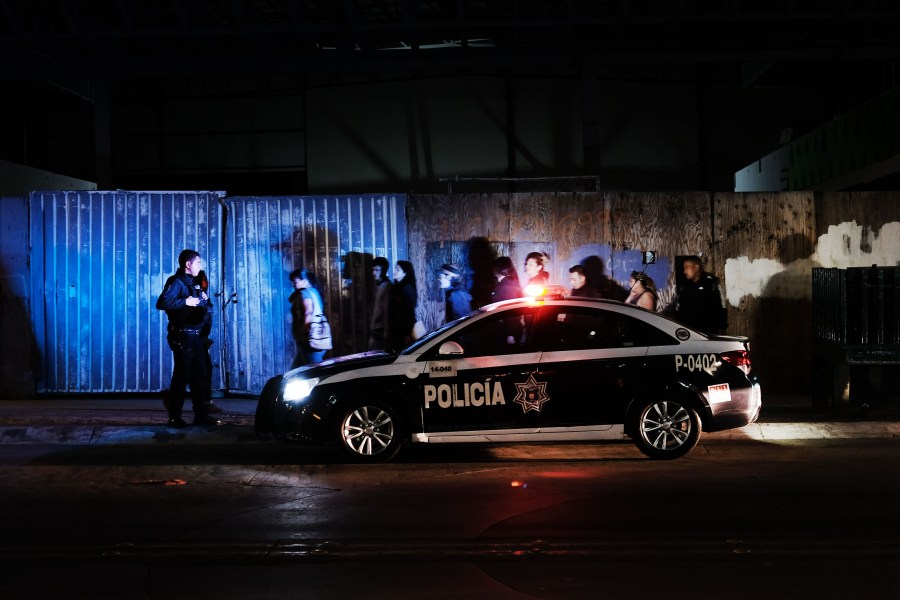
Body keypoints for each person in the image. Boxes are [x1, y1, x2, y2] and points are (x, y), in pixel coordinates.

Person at [156, 249, 219, 428]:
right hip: (184, 336)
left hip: (197, 337)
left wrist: (204, 300)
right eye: (198, 263)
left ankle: (201, 416)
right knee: (181, 377)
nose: (201, 266)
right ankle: (175, 417)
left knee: (200, 376)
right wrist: (186, 301)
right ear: (188, 264)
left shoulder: (195, 282)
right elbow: (162, 302)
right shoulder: (176, 282)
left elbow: (203, 306)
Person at [289, 268, 331, 368]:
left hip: (309, 342)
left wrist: (304, 334)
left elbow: (308, 313)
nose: (294, 285)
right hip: (314, 340)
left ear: (304, 281)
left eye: (295, 282)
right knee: (296, 371)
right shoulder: (314, 292)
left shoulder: (305, 294)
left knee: (315, 373)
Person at [675, 256, 727, 335]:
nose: (684, 271)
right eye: (684, 268)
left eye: (687, 267)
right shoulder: (685, 286)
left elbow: (722, 306)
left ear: (696, 267)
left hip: (709, 332)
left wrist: (722, 327)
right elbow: (679, 309)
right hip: (689, 332)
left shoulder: (711, 283)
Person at [194, 270, 222, 414]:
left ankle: (205, 403)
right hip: (196, 339)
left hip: (201, 339)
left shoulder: (203, 296)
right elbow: (196, 318)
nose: (207, 282)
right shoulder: (196, 296)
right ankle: (204, 404)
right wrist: (201, 337)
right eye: (205, 279)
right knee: (202, 371)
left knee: (204, 371)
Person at [387, 260, 418, 351]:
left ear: (405, 272)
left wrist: (407, 333)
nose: (394, 271)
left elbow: (408, 312)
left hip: (402, 332)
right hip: (397, 330)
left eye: (398, 269)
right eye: (395, 268)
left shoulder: (406, 288)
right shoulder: (398, 288)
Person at [369, 256, 391, 350]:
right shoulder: (377, 285)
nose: (373, 273)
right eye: (373, 270)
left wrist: (386, 332)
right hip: (375, 328)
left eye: (376, 270)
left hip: (380, 330)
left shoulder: (386, 287)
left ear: (384, 270)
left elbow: (387, 311)